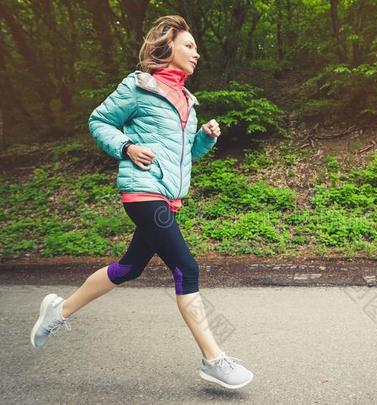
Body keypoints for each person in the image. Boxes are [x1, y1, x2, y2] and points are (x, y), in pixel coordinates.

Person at [29, 15, 254, 390]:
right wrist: (126, 147)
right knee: (187, 267)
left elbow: (185, 156)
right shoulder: (138, 87)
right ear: (167, 49)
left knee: (129, 268)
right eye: (189, 46)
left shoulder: (187, 100)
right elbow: (99, 120)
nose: (197, 53)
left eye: (196, 48)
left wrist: (204, 139)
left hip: (169, 196)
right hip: (143, 191)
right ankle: (214, 360)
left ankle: (58, 310)